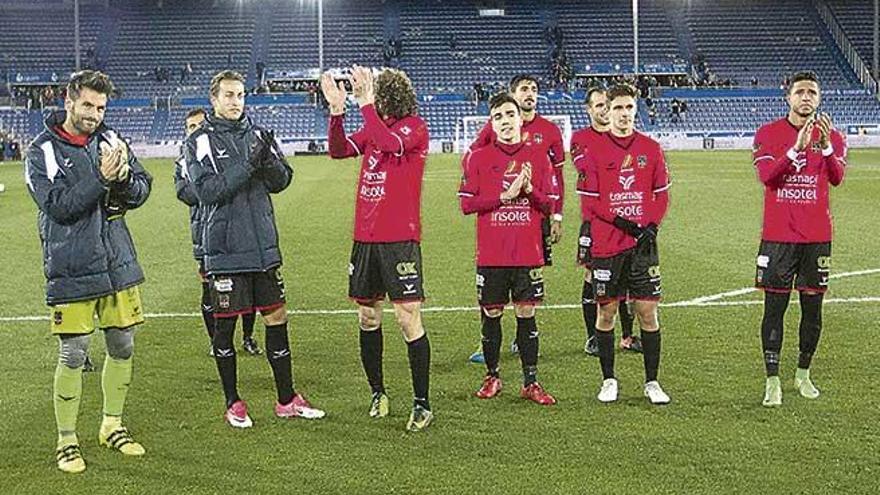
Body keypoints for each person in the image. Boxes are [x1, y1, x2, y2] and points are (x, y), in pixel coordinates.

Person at [25, 70, 152, 473]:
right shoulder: (41, 151)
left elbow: (143, 188)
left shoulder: (112, 140)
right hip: (72, 263)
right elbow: (58, 206)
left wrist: (126, 179)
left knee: (123, 345)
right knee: (74, 351)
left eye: (100, 107)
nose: (94, 114)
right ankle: (67, 440)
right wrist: (101, 178)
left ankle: (111, 425)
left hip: (117, 261)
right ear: (68, 101)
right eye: (87, 106)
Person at [185, 70, 324, 428]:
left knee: (277, 319)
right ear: (214, 99)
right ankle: (233, 401)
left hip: (263, 247)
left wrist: (269, 163)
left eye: (241, 95)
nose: (236, 102)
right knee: (225, 327)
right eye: (229, 95)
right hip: (225, 248)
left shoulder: (260, 134)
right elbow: (206, 191)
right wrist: (248, 165)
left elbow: (283, 181)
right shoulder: (198, 141)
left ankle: (286, 399)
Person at [322, 66, 433, 432]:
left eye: (375, 92)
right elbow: (338, 151)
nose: (368, 95)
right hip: (365, 239)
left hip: (400, 239)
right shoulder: (372, 129)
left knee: (406, 318)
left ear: (389, 96)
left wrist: (365, 104)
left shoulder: (413, 127)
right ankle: (378, 392)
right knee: (368, 317)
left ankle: (422, 403)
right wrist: (337, 112)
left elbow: (389, 145)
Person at [751, 71, 846, 407]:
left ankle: (803, 374)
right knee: (774, 308)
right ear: (788, 97)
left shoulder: (831, 135)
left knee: (812, 310)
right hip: (778, 237)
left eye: (812, 92)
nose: (806, 97)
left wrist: (827, 147)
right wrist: (796, 150)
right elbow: (768, 177)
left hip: (817, 237)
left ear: (818, 98)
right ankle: (772, 380)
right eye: (800, 92)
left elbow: (837, 178)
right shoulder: (768, 133)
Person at [458, 93, 559, 405]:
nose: (504, 121)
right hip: (492, 254)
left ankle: (531, 381)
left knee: (527, 314)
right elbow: (466, 204)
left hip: (527, 252)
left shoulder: (539, 157)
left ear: (520, 120)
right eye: (498, 116)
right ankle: (492, 377)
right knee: (491, 314)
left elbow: (548, 203)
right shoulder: (478, 158)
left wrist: (529, 191)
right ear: (492, 123)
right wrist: (505, 196)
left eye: (509, 115)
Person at [578, 84, 671, 405]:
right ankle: (608, 379)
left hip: (642, 246)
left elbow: (662, 195)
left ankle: (652, 382)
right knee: (607, 313)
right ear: (607, 112)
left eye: (629, 108)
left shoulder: (652, 148)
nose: (623, 114)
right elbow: (589, 204)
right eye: (617, 108)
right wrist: (623, 223)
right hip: (608, 245)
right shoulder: (595, 151)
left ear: (636, 109)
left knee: (647, 312)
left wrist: (651, 226)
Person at [174, 108, 262, 357]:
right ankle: (216, 341)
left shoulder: (221, 151)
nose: (195, 130)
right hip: (203, 234)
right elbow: (184, 192)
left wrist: (217, 185)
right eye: (190, 127)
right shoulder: (184, 160)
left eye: (199, 125)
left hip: (236, 228)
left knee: (248, 289)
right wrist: (209, 189)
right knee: (209, 291)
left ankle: (247, 337)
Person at [571, 87, 639, 357]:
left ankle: (626, 335)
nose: (603, 109)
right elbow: (586, 168)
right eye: (598, 105)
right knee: (592, 276)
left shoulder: (628, 142)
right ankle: (593, 337)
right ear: (590, 109)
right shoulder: (581, 139)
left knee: (627, 278)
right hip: (595, 220)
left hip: (626, 220)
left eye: (605, 104)